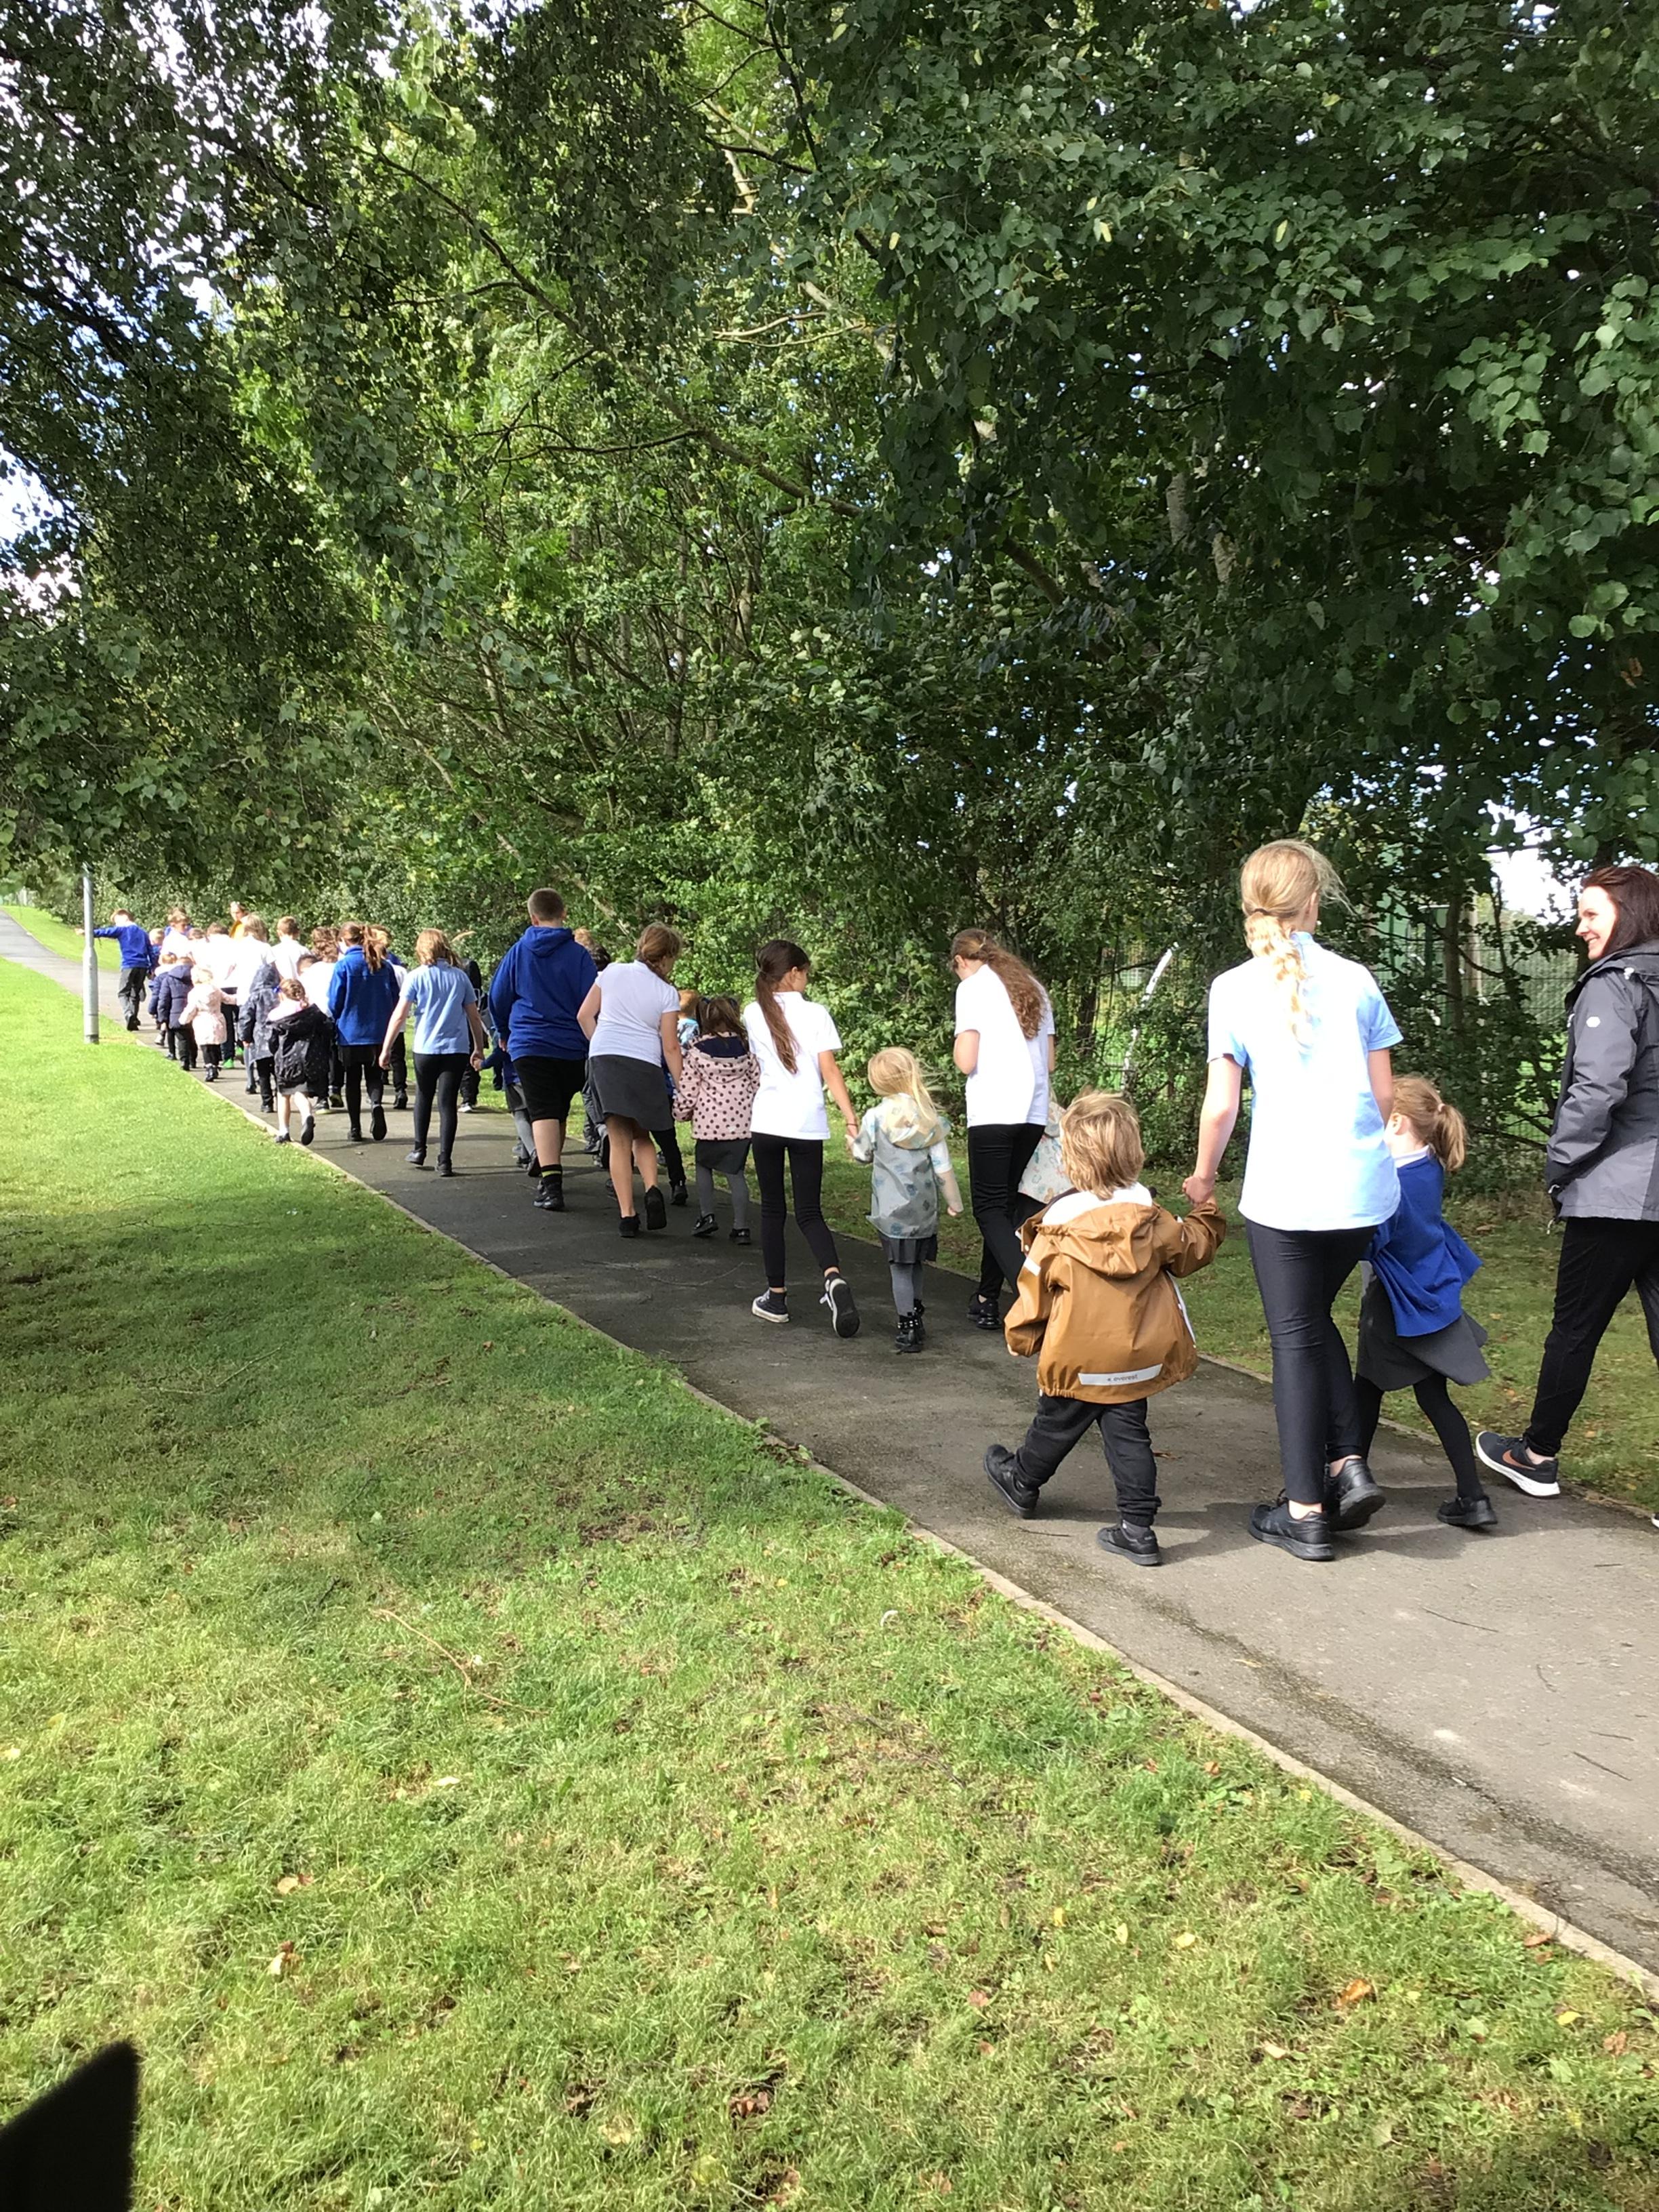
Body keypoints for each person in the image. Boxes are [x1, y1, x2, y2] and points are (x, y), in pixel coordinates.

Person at [1184, 838, 1401, 1564]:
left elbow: (1222, 1106)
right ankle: (1348, 1463)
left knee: (1294, 1337)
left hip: (1286, 1195)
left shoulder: (1232, 988)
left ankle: (1306, 1511)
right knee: (1310, 1320)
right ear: (1313, 903)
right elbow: (1384, 1096)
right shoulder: (1358, 980)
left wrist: (1203, 1177)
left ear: (1251, 906)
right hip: (1362, 1193)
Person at [1477, 863, 1659, 1499]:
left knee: (1575, 1328)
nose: (1579, 927)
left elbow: (1597, 1089)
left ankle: (1536, 1454)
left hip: (1615, 1192)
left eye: (1591, 914)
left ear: (1627, 917)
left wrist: (1562, 1165)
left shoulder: (1615, 983)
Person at [985, 1091, 1225, 1565]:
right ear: (1134, 1155)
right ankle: (1138, 1528)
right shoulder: (1153, 1220)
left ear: (1070, 1162)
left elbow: (1033, 1291)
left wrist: (1022, 1336)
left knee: (1055, 1424)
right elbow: (1194, 1246)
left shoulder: (1056, 1230)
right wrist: (1208, 1208)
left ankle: (1022, 1480)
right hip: (1137, 1357)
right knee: (1130, 1436)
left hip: (1078, 1355)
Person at [1353, 1076, 1496, 1530]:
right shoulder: (1428, 1165)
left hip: (1397, 1300)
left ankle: (1347, 1484)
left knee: (1366, 1391)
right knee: (1433, 1398)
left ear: (1395, 1121)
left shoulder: (1392, 1181)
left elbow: (1372, 1241)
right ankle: (1473, 1497)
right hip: (1431, 1292)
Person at [742, 939, 861, 1334]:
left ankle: (776, 1297)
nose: (807, 979)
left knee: (772, 1211)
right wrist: (850, 1118)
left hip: (768, 1121)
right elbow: (830, 1070)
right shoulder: (816, 1013)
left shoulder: (753, 1012)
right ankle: (833, 1277)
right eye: (806, 972)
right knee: (810, 1211)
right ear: (793, 973)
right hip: (808, 1123)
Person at [950, 928, 1057, 1332]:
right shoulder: (1033, 987)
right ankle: (987, 1297)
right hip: (1033, 1111)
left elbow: (966, 1060)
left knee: (989, 1208)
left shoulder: (973, 988)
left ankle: (1035, 1296)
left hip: (994, 1108)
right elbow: (1049, 1061)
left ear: (961, 961)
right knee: (1005, 1207)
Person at [488, 889, 600, 1214]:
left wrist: (503, 1031)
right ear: (564, 913)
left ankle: (551, 1183)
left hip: (530, 1041)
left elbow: (498, 996)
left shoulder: (519, 951)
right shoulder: (579, 956)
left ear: (533, 918)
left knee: (545, 1111)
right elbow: (592, 1001)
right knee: (555, 1110)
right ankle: (551, 1172)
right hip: (570, 1044)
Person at [851, 1048, 964, 1352]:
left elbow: (862, 1154)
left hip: (891, 1210)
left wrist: (852, 1143)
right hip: (923, 1209)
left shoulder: (875, 1118)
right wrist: (955, 1202)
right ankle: (916, 1313)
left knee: (899, 1267)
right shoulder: (928, 1119)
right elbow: (943, 1167)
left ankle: (908, 1325)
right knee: (915, 1264)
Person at [577, 924, 684, 1235]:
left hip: (606, 1057)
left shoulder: (612, 972)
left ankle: (627, 1215)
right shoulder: (667, 993)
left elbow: (584, 1015)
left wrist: (600, 1043)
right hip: (644, 1062)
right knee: (642, 1134)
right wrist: (683, 1086)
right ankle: (652, 1187)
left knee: (619, 1139)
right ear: (666, 957)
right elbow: (670, 1046)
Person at [378, 928, 487, 1175]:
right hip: (456, 1048)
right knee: (448, 1103)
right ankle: (445, 1160)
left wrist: (386, 1048)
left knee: (424, 1097)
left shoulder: (416, 976)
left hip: (426, 1047)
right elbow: (474, 1016)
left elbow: (399, 1016)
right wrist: (479, 1048)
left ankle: (419, 1149)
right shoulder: (460, 977)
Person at [674, 995, 760, 1244]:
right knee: (736, 1173)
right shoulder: (746, 1048)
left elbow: (689, 1089)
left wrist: (680, 1112)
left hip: (708, 1124)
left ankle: (707, 1215)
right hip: (742, 1124)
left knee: (704, 1167)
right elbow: (758, 1083)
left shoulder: (697, 1051)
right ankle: (741, 1227)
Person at [327, 922, 401, 1141]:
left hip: (350, 1031)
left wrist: (336, 1017)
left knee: (352, 1079)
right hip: (378, 1031)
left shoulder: (343, 966)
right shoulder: (383, 965)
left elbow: (335, 1001)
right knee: (375, 1075)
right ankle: (376, 1103)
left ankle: (355, 1128)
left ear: (344, 941)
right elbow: (395, 998)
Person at [266, 979, 333, 1145]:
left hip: (286, 1059)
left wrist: (275, 1052)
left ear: (282, 994)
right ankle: (307, 1115)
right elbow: (328, 1029)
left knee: (283, 1094)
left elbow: (272, 1041)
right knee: (301, 1093)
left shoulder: (276, 1015)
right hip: (310, 1057)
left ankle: (284, 1131)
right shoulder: (313, 1012)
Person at [237, 935, 283, 1113]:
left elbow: (246, 1017)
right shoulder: (280, 995)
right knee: (278, 1072)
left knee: (263, 1073)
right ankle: (282, 1100)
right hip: (279, 1039)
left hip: (260, 1039)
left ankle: (266, 1102)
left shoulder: (254, 996)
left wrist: (245, 1037)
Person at [89, 909, 155, 1029]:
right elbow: (151, 952)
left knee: (123, 992)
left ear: (124, 918)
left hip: (129, 965)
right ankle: (133, 1020)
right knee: (135, 994)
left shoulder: (122, 930)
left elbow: (106, 932)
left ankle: (128, 1013)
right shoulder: (143, 933)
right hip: (142, 966)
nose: (116, 925)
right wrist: (152, 968)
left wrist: (90, 933)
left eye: (116, 921)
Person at [367, 928, 410, 1109]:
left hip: (380, 1020)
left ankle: (377, 1093)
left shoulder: (376, 969)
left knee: (378, 1056)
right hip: (398, 1018)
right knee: (398, 1057)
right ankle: (401, 1090)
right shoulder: (400, 970)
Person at [303, 926, 344, 1108]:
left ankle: (322, 1096)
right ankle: (336, 1088)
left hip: (318, 1016)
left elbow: (304, 993)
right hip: (338, 1015)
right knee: (336, 1056)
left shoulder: (314, 970)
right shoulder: (341, 967)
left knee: (320, 1056)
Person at [203, 921, 241, 1065]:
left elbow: (205, 967)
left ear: (210, 934)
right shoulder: (236, 944)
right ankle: (242, 1045)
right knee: (242, 1017)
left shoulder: (209, 947)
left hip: (219, 986)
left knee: (226, 1021)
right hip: (238, 985)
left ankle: (228, 1057)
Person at [182, 964, 227, 1081]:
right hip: (217, 1019)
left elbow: (191, 1009)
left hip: (202, 1021)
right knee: (215, 1044)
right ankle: (216, 1065)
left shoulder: (195, 993)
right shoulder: (216, 990)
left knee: (205, 1046)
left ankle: (209, 1067)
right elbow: (228, 999)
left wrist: (184, 1019)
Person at [152, 954, 194, 1065]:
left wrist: (162, 1016)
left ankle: (182, 1059)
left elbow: (163, 999)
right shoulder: (197, 977)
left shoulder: (168, 979)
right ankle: (193, 1060)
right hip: (194, 1013)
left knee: (181, 1037)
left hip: (174, 1013)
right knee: (191, 1037)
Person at [270, 915, 308, 982]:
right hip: (302, 986)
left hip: (283, 986)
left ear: (279, 933)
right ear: (298, 933)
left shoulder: (273, 952)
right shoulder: (305, 951)